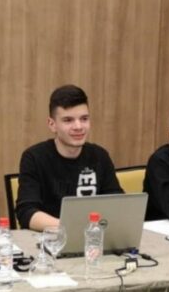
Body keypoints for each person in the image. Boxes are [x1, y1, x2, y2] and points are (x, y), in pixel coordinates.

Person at [15, 84, 123, 231]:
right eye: (68, 120)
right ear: (52, 124)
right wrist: (71, 227)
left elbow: (117, 203)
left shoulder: (100, 156)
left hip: (93, 239)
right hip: (51, 241)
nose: (78, 126)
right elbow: (27, 213)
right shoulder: (34, 157)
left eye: (84, 118)